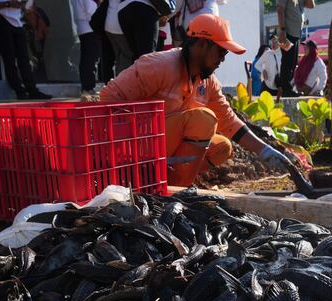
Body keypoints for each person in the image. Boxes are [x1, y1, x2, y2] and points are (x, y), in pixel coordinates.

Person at [100, 15, 295, 187]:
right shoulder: (159, 66)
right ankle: (176, 188)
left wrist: (266, 151)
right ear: (202, 44)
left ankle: (163, 181)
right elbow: (109, 97)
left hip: (161, 147)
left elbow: (229, 122)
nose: (223, 59)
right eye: (221, 52)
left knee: (221, 148)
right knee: (202, 120)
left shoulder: (208, 81)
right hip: (135, 147)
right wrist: (129, 143)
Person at [0, 0, 51, 99]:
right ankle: (19, 91)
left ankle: (32, 90)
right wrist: (8, 4)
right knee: (9, 59)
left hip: (18, 22)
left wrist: (24, 5)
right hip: (0, 20)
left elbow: (26, 5)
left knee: (24, 60)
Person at [277, 0, 315, 97]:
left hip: (296, 33)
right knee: (287, 61)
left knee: (293, 63)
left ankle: (287, 88)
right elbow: (280, 10)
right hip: (287, 33)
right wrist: (282, 30)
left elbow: (311, 5)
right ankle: (285, 89)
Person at [72, 0, 102, 95]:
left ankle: (86, 87)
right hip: (90, 28)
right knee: (90, 59)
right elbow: (91, 12)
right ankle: (88, 87)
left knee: (86, 59)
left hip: (83, 28)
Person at [105, 0, 134, 74]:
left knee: (119, 57)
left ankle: (118, 80)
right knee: (127, 56)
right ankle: (122, 82)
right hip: (119, 27)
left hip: (109, 24)